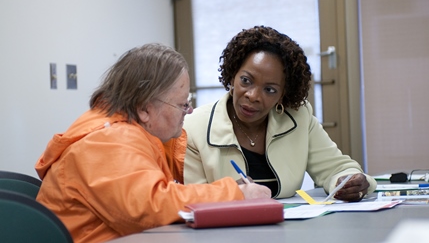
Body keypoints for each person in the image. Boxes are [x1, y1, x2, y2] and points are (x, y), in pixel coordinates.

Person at [35, 43, 270, 243]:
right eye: (181, 104)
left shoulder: (134, 134)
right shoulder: (107, 141)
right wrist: (236, 195)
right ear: (144, 108)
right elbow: (152, 207)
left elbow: (160, 196)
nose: (188, 111)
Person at [183, 26, 377, 201]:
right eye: (246, 80)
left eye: (270, 90)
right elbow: (189, 199)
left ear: (283, 95)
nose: (253, 96)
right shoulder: (193, 127)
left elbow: (337, 168)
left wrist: (350, 182)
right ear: (232, 76)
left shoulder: (298, 117)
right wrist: (228, 193)